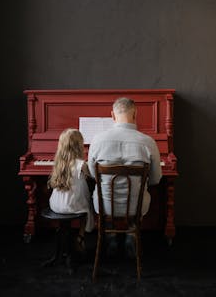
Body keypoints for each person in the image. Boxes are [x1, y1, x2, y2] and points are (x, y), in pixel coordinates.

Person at [88, 97, 162, 257]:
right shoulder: (148, 142)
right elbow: (156, 179)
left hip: (104, 206)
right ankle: (131, 233)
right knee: (140, 196)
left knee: (99, 192)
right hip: (137, 207)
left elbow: (94, 176)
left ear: (112, 116)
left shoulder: (97, 140)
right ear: (136, 114)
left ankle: (110, 236)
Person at [48, 128, 95, 251]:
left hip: (55, 205)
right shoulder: (81, 164)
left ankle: (64, 236)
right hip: (72, 206)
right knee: (88, 205)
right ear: (79, 146)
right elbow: (93, 175)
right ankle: (80, 236)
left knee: (77, 200)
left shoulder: (59, 163)